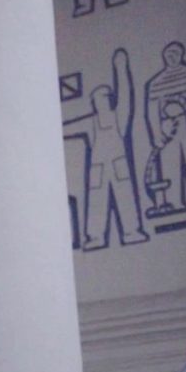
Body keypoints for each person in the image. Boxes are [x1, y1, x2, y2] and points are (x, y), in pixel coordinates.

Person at [64, 49, 148, 250]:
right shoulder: (90, 121)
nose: (100, 103)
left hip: (118, 164)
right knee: (96, 201)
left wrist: (120, 67)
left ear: (109, 100)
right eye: (97, 100)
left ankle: (131, 231)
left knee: (125, 195)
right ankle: (95, 236)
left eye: (104, 99)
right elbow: (68, 127)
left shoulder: (119, 116)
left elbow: (126, 95)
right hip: (98, 168)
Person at [144, 41, 186, 214]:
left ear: (181, 55)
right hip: (167, 127)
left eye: (175, 53)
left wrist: (181, 106)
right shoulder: (156, 83)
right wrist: (156, 134)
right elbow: (152, 112)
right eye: (168, 54)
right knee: (169, 162)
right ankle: (173, 200)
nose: (171, 57)